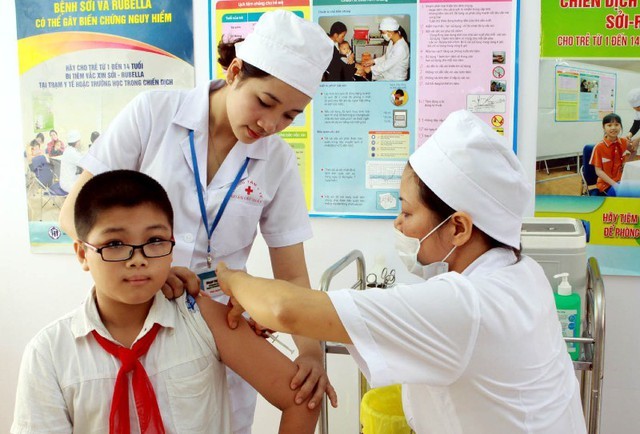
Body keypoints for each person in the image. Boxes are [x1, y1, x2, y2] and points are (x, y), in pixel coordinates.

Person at [214, 110, 588, 433]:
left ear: (458, 227)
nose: (398, 224)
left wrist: (229, 278)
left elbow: (284, 308)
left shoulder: (467, 306)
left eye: (407, 212)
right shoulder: (522, 272)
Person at [59, 10, 336, 434]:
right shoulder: (154, 114)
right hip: (134, 310)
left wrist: (311, 352)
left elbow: (293, 274)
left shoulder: (277, 160)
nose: (271, 124)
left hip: (219, 327)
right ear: (236, 71)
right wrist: (155, 270)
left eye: (290, 116)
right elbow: (73, 211)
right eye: (265, 102)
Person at [12, 170, 320, 433]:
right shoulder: (49, 353)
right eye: (115, 244)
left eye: (155, 241)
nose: (138, 259)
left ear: (172, 246)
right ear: (82, 254)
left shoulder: (203, 318)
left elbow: (303, 399)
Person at [590, 113, 639, 195]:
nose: (613, 128)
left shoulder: (623, 142)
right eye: (609, 125)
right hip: (606, 185)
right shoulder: (599, 147)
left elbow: (633, 151)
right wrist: (615, 185)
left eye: (617, 124)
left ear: (620, 126)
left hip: (622, 180)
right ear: (604, 128)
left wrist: (626, 164)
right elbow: (598, 171)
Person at [358, 17, 409, 81]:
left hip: (396, 78)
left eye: (382, 32)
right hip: (389, 72)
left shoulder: (401, 48)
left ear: (390, 32)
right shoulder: (392, 40)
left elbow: (386, 65)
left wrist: (370, 69)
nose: (382, 35)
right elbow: (387, 57)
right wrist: (373, 61)